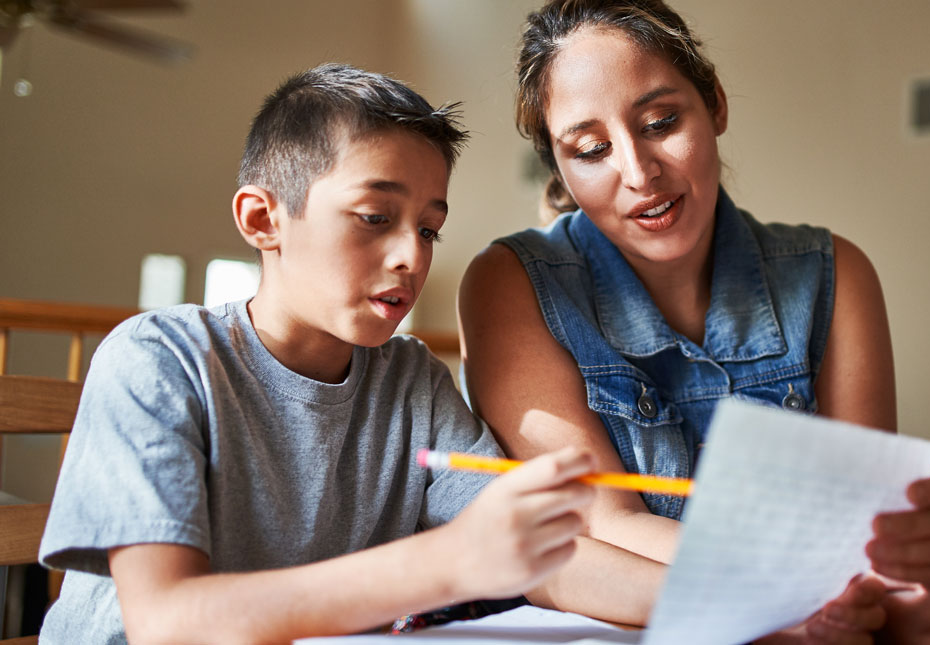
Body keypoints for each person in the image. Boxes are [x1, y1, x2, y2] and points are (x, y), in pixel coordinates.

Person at [458, 0, 930, 643]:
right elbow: (602, 525)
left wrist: (900, 593)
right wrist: (814, 599)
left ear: (714, 102)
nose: (638, 171)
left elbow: (869, 538)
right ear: (561, 167)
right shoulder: (510, 283)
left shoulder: (834, 274)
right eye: (591, 150)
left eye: (660, 123)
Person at [36, 63, 598, 643]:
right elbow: (168, 621)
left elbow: (556, 561)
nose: (412, 255)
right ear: (263, 220)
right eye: (375, 217)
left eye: (430, 229)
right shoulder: (158, 359)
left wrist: (693, 592)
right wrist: (446, 561)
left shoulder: (412, 382)